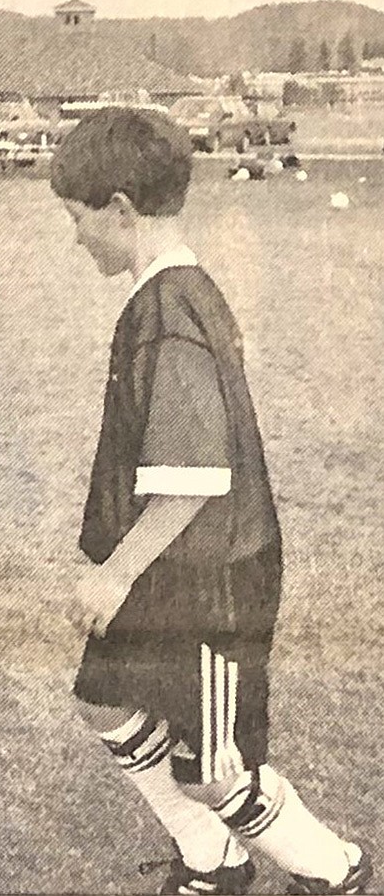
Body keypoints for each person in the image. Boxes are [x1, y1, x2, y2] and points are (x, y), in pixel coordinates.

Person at [50, 108, 372, 896]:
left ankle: (337, 872)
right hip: (177, 564)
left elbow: (194, 476)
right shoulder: (179, 291)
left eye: (78, 219)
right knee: (104, 698)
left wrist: (114, 575)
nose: (75, 238)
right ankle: (213, 858)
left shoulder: (170, 313)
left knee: (213, 769)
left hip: (210, 580)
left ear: (121, 210)